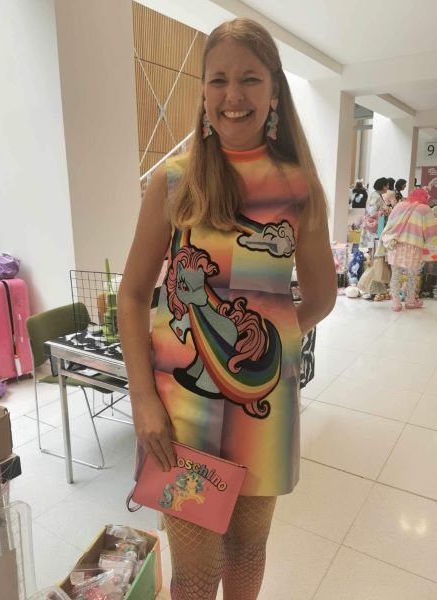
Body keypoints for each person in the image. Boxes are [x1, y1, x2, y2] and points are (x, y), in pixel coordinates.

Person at [118, 18, 336, 600]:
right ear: (204, 92)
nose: (232, 95)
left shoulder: (299, 188)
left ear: (274, 91)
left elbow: (322, 295)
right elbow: (133, 295)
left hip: (264, 407)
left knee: (248, 550)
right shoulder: (174, 182)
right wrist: (143, 400)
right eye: (218, 80)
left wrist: (264, 342)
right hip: (181, 413)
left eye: (249, 79)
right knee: (195, 573)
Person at [377, 187, 437, 311]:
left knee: (395, 275)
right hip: (413, 246)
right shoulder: (424, 209)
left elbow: (390, 223)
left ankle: (396, 303)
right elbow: (431, 232)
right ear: (424, 198)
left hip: (395, 243)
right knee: (412, 275)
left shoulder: (399, 206)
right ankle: (410, 301)